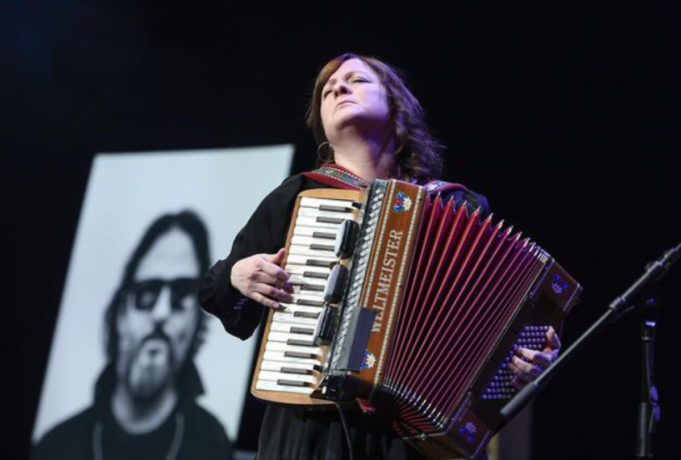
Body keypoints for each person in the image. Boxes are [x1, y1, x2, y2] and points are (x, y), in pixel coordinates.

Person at [200, 53, 561, 459]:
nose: (338, 88)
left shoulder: (460, 206)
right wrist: (236, 276)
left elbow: (500, 327)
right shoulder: (298, 196)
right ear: (322, 127)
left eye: (356, 80)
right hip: (314, 431)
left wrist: (528, 358)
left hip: (412, 436)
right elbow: (216, 296)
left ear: (396, 106)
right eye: (327, 89)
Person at [33, 211, 233, 460]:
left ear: (197, 323)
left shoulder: (213, 443)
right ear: (119, 313)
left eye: (181, 294)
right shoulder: (57, 446)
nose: (161, 313)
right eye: (147, 293)